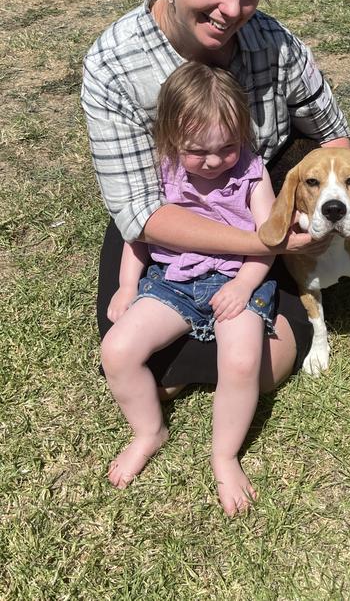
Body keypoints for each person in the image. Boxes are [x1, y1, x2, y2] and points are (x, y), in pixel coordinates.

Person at [81, 0, 350, 402]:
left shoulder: (277, 44)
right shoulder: (115, 64)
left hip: (256, 197)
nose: (233, 10)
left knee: (267, 365)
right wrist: (269, 245)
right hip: (174, 214)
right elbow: (140, 212)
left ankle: (202, 351)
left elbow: (332, 135)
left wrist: (291, 216)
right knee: (123, 354)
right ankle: (198, 349)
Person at [103, 63, 278, 513]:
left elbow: (269, 239)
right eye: (198, 151)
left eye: (227, 146)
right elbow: (139, 234)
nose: (216, 160)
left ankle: (225, 456)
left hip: (239, 278)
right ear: (169, 139)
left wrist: (243, 285)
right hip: (175, 280)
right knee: (117, 351)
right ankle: (148, 431)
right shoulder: (162, 172)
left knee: (241, 362)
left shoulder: (253, 172)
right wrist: (126, 287)